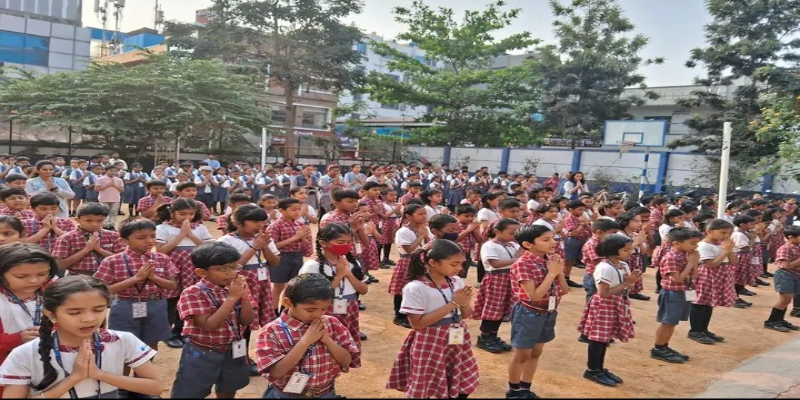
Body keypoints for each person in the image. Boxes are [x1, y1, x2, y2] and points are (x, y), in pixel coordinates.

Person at [0, 274, 165, 398]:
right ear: (51, 315)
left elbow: (156, 386)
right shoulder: (25, 353)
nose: (89, 319)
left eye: (98, 310)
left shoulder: (122, 340)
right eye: (75, 312)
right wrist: (73, 379)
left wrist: (99, 374)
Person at [386, 239, 479, 398]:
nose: (459, 268)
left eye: (461, 264)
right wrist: (453, 303)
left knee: (460, 383)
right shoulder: (416, 288)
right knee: (426, 383)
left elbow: (465, 314)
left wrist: (464, 303)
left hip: (456, 339)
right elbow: (417, 324)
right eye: (454, 264)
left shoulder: (456, 282)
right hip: (430, 341)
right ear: (433, 263)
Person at [170, 242, 255, 398]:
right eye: (223, 268)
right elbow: (209, 325)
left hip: (233, 350)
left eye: (234, 267)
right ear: (202, 272)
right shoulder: (193, 293)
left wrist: (244, 299)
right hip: (203, 352)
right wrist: (231, 299)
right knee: (191, 392)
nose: (231, 273)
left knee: (229, 389)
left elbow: (247, 320)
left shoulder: (235, 287)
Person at [254, 274, 359, 399]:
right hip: (286, 395)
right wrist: (305, 341)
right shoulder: (271, 331)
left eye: (324, 309)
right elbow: (276, 372)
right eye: (310, 310)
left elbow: (346, 361)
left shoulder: (332, 323)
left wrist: (327, 340)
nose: (318, 314)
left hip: (326, 392)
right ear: (288, 303)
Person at [93, 219, 179, 353]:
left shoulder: (162, 258)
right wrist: (136, 278)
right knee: (124, 344)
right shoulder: (112, 261)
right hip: (125, 305)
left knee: (151, 344)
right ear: (124, 241)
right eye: (141, 238)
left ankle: (146, 367)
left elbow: (172, 285)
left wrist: (154, 278)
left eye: (153, 236)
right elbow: (103, 290)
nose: (150, 241)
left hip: (156, 304)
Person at [217, 204, 281, 375]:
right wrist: (254, 247)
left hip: (260, 285)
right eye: (255, 222)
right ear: (238, 222)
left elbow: (275, 263)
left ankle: (242, 357)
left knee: (250, 321)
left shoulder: (263, 239)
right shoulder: (227, 241)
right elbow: (233, 267)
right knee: (238, 322)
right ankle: (238, 359)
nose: (260, 225)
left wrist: (264, 246)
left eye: (263, 222)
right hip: (239, 285)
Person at [507, 225, 569, 399]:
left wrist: (559, 273)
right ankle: (514, 390)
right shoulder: (523, 264)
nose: (553, 242)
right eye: (546, 239)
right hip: (529, 312)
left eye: (552, 238)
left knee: (536, 352)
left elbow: (564, 290)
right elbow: (534, 296)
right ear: (528, 244)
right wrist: (552, 274)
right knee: (522, 354)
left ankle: (525, 387)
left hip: (548, 312)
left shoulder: (551, 260)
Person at [299, 223, 369, 366]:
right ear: (323, 243)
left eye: (349, 242)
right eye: (340, 242)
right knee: (326, 342)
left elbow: (363, 290)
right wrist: (339, 276)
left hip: (349, 307)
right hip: (325, 309)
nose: (346, 246)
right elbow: (316, 296)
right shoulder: (312, 266)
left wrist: (348, 273)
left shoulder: (351, 263)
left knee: (345, 340)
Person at [577, 234, 640, 387]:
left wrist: (628, 283)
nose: (630, 252)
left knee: (605, 338)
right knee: (597, 339)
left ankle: (600, 368)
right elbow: (603, 293)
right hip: (604, 304)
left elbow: (624, 284)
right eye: (626, 250)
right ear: (612, 250)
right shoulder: (604, 268)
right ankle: (592, 370)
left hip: (616, 302)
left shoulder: (622, 265)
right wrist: (627, 283)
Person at [155, 198, 214, 349]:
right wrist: (181, 235)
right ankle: (167, 333)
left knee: (187, 299)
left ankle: (181, 330)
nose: (187, 217)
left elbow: (208, 248)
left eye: (191, 214)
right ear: (172, 213)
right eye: (182, 214)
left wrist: (191, 235)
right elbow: (161, 250)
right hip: (171, 269)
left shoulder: (200, 228)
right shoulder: (163, 228)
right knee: (170, 301)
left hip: (192, 269)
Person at [0, 244, 58, 397]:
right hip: (6, 368)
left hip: (51, 363)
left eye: (42, 274)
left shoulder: (56, 292)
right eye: (21, 276)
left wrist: (55, 332)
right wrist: (16, 339)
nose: (33, 281)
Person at [651, 228, 703, 364]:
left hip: (684, 291)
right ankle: (658, 348)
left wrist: (694, 263)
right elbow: (678, 279)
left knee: (672, 323)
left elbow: (695, 275)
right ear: (676, 243)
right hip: (672, 294)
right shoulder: (671, 258)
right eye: (692, 243)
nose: (696, 246)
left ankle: (664, 346)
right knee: (667, 322)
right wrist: (690, 263)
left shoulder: (686, 255)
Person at [474, 218, 522, 354]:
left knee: (501, 311)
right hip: (495, 280)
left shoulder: (513, 245)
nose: (514, 236)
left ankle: (493, 336)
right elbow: (494, 264)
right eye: (511, 233)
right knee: (492, 310)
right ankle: (484, 338)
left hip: (509, 280)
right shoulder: (489, 245)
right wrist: (517, 259)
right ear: (497, 231)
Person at [689, 219, 737, 344]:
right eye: (723, 232)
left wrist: (729, 250)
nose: (726, 236)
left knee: (709, 304)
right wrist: (725, 251)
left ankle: (704, 329)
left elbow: (734, 262)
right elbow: (711, 264)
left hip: (718, 277)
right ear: (710, 231)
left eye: (729, 233)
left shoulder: (723, 245)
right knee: (699, 304)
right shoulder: (703, 246)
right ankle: (695, 331)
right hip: (706, 277)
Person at [51, 203, 126, 276]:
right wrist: (87, 249)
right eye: (89, 220)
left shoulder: (113, 236)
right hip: (77, 277)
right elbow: (59, 264)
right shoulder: (66, 238)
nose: (94, 224)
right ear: (77, 220)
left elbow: (123, 260)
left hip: (107, 276)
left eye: (100, 220)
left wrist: (99, 249)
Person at [267, 198, 314, 312]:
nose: (297, 212)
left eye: (299, 209)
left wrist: (303, 239)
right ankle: (273, 311)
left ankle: (286, 309)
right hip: (280, 257)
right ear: (281, 211)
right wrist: (295, 237)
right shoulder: (275, 226)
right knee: (278, 286)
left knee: (292, 286)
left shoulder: (301, 225)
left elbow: (307, 245)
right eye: (293, 210)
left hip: (297, 256)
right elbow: (272, 247)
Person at [391, 204, 431, 329]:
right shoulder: (403, 231)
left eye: (424, 214)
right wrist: (421, 236)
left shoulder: (424, 228)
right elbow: (409, 249)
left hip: (421, 260)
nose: (424, 216)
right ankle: (399, 316)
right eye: (420, 214)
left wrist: (425, 236)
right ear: (409, 216)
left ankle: (415, 313)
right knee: (402, 289)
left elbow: (429, 244)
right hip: (408, 261)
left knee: (418, 287)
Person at [764, 225, 800, 332]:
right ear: (791, 237)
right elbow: (785, 266)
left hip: (794, 275)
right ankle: (771, 321)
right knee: (784, 299)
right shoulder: (785, 248)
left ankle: (780, 320)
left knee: (787, 300)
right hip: (785, 275)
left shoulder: (797, 247)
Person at [564, 200, 592, 288]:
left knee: (573, 261)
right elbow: (574, 233)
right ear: (571, 210)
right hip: (573, 240)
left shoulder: (581, 217)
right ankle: (565, 278)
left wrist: (585, 223)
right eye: (579, 209)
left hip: (582, 240)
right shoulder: (569, 219)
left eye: (583, 209)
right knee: (568, 261)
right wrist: (582, 224)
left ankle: (566, 278)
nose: (582, 211)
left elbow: (591, 231)